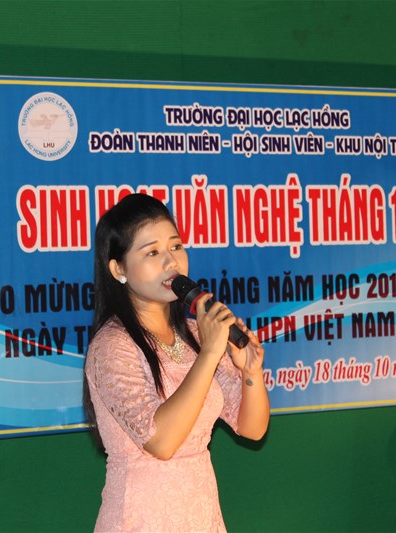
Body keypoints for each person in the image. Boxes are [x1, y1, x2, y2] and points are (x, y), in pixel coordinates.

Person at [84, 193, 270, 532]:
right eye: (152, 252)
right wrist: (210, 354)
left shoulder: (198, 335)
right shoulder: (112, 346)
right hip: (141, 520)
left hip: (201, 516)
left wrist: (250, 371)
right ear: (119, 269)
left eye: (176, 246)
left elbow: (252, 428)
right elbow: (161, 442)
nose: (171, 261)